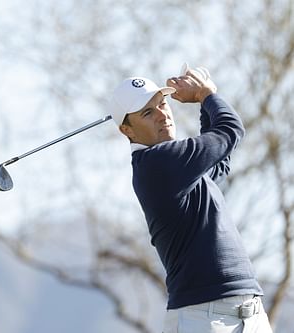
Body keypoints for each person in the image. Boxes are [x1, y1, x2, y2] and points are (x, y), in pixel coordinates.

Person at [108, 66, 273, 332]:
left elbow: (220, 164)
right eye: (148, 113)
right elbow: (230, 130)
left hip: (249, 316)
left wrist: (205, 104)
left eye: (162, 104)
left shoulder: (174, 167)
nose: (163, 115)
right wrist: (206, 95)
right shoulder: (158, 162)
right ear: (127, 130)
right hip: (204, 319)